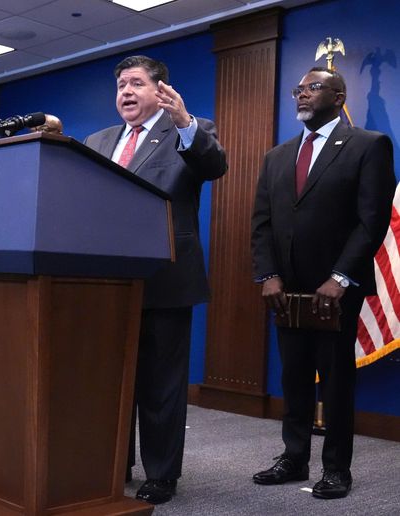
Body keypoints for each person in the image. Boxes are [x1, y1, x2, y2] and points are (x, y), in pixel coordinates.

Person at [84, 55, 227, 505]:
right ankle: (114, 462)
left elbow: (214, 166)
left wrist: (183, 120)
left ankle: (162, 474)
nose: (126, 92)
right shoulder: (98, 140)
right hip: (108, 285)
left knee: (161, 385)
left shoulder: (188, 128)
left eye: (137, 83)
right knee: (111, 381)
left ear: (161, 90)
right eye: (121, 85)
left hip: (166, 280)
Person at [251, 67, 394, 499]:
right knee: (293, 377)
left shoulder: (368, 145)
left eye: (313, 88)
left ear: (338, 95)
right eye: (299, 89)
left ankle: (336, 469)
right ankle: (294, 459)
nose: (302, 95)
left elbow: (372, 221)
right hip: (285, 290)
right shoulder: (277, 156)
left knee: (335, 381)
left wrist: (340, 277)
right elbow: (262, 223)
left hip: (335, 290)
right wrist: (269, 274)